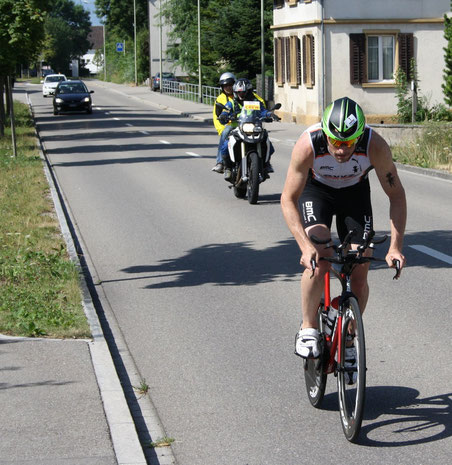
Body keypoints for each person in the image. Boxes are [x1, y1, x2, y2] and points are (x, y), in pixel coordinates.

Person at [280, 96, 406, 383]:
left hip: (354, 195)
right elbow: (288, 199)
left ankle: (348, 339)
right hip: (317, 192)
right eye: (335, 141)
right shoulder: (308, 143)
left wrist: (396, 247)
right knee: (320, 256)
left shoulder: (375, 145)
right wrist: (304, 246)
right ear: (325, 132)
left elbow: (396, 196)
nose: (340, 149)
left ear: (359, 136)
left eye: (348, 143)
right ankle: (309, 325)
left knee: (360, 269)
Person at [218, 78, 276, 181]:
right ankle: (227, 167)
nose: (241, 94)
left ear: (248, 91)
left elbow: (263, 111)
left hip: (253, 126)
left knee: (268, 144)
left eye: (243, 92)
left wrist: (269, 114)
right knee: (226, 146)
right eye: (238, 92)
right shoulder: (232, 102)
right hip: (237, 127)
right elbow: (225, 111)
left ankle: (266, 164)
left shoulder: (255, 102)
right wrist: (223, 115)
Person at [212, 72, 236, 173]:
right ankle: (220, 162)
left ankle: (265, 164)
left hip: (245, 123)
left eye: (230, 85)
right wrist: (221, 129)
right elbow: (216, 116)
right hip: (230, 125)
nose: (228, 87)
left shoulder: (243, 93)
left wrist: (266, 112)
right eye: (225, 86)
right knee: (225, 133)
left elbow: (258, 101)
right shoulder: (220, 99)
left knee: (263, 135)